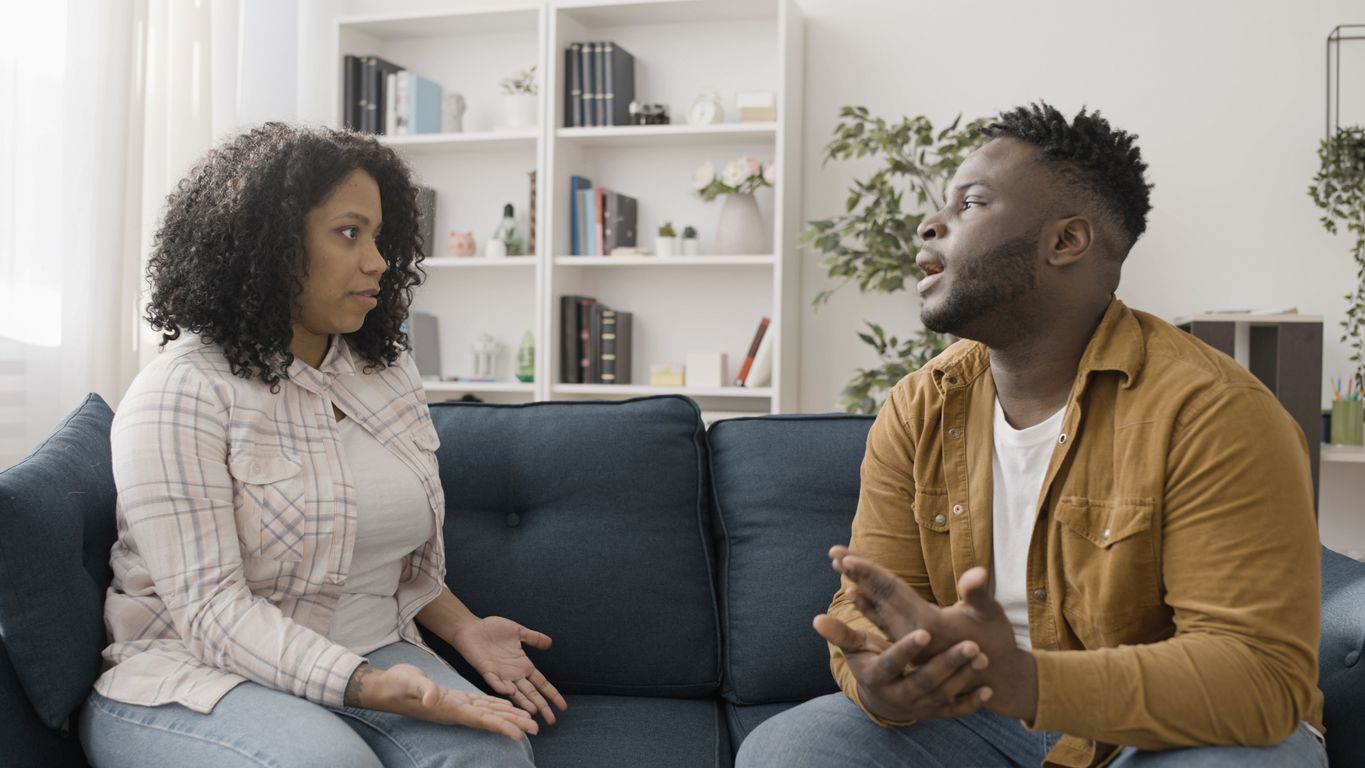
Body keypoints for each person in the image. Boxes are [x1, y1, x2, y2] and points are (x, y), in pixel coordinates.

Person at [736, 103, 1326, 767]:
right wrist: (882, 681)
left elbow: (1258, 678)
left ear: (1065, 242)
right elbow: (868, 600)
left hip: (1154, 734)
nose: (930, 224)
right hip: (974, 720)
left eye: (972, 203)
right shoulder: (916, 407)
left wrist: (1026, 680)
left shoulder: (1212, 413)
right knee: (794, 747)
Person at [80, 123, 566, 768]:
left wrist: (464, 628)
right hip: (195, 672)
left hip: (371, 648)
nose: (378, 261)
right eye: (348, 233)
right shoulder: (181, 391)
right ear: (267, 246)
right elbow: (211, 611)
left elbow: (386, 556)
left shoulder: (384, 371)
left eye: (380, 236)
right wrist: (370, 688)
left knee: (495, 757)